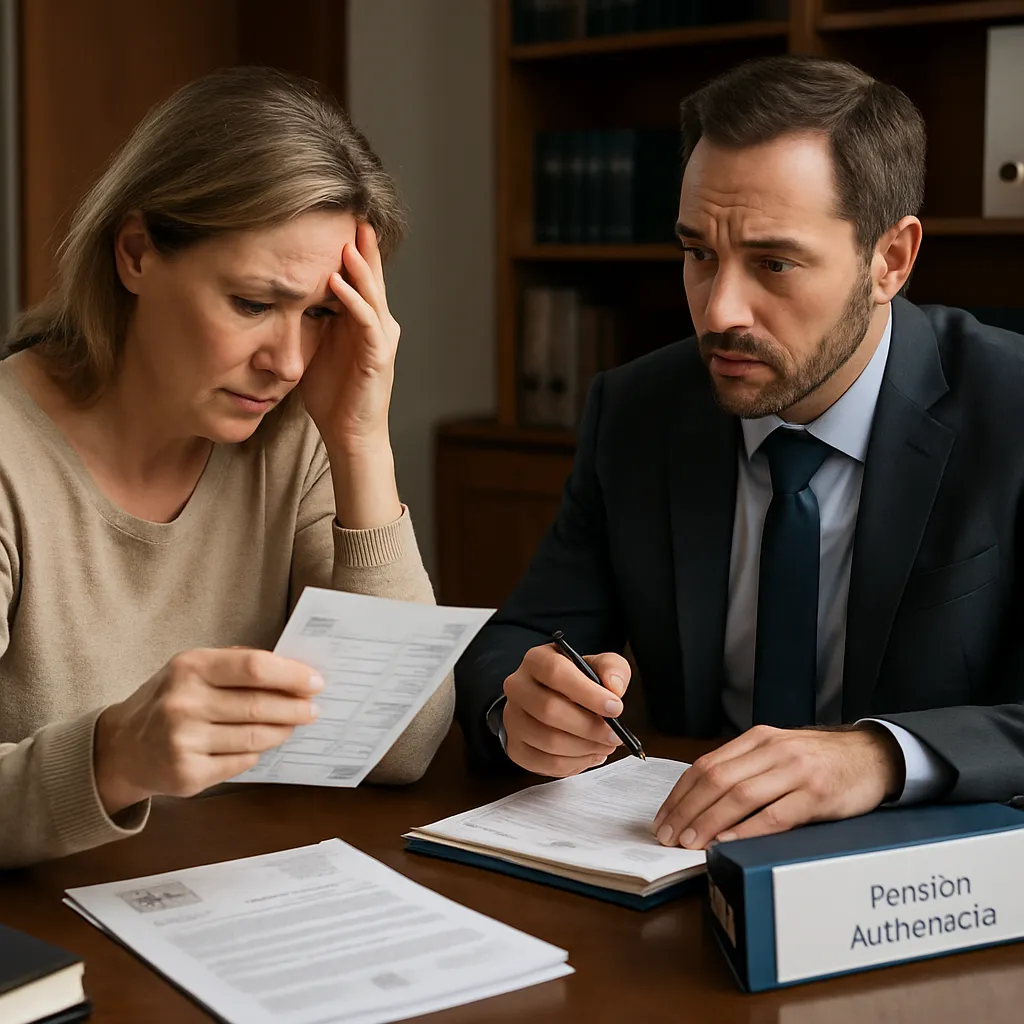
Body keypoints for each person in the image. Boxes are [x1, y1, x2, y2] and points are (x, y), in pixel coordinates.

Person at [455, 55, 1024, 852]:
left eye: (774, 263)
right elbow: (516, 641)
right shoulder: (640, 410)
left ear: (891, 259)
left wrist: (877, 757)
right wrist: (523, 707)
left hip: (925, 886)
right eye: (698, 254)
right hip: (684, 866)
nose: (719, 311)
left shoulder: (1011, 409)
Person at [0, 67, 449, 869]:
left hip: (229, 915)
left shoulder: (294, 436)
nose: (286, 362)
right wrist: (113, 756)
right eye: (252, 303)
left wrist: (360, 440)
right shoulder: (10, 456)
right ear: (135, 252)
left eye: (318, 314)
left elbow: (401, 744)